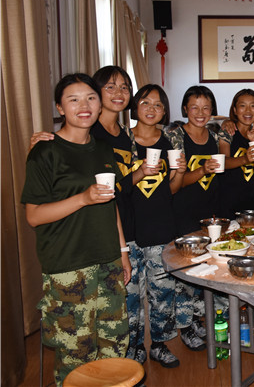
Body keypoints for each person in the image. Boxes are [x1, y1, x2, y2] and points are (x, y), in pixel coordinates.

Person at [22, 73, 130, 385]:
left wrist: (122, 252)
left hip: (108, 262)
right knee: (76, 356)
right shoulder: (45, 151)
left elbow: (111, 206)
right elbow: (34, 216)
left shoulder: (103, 150)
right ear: (60, 107)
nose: (84, 106)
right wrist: (82, 198)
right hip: (68, 267)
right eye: (74, 99)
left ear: (100, 105)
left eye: (91, 98)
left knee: (115, 347)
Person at [126, 84, 187, 368]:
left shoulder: (169, 141)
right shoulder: (123, 139)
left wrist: (180, 173)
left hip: (161, 225)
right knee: (131, 295)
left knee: (162, 290)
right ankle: (135, 346)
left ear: (165, 111)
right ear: (135, 106)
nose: (151, 109)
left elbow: (171, 189)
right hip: (130, 227)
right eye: (145, 102)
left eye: (158, 104)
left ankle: (160, 344)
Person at [165, 85, 224, 351]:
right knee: (185, 275)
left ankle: (197, 319)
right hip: (182, 212)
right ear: (184, 109)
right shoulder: (173, 136)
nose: (200, 113)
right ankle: (185, 326)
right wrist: (201, 170)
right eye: (194, 107)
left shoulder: (215, 135)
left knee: (205, 269)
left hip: (209, 214)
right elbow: (174, 184)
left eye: (206, 108)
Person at [218, 89, 254, 217]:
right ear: (235, 110)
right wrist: (245, 159)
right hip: (228, 200)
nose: (248, 111)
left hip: (253, 201)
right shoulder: (228, 131)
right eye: (242, 106)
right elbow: (223, 162)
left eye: (253, 106)